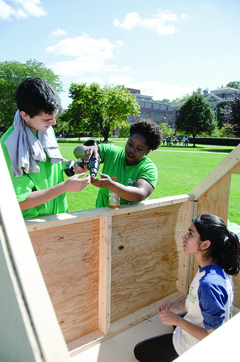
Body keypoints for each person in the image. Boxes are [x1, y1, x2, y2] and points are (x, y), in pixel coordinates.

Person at [134, 214, 240, 362]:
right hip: (204, 328)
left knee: (140, 351)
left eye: (190, 234)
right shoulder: (214, 266)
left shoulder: (209, 284)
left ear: (205, 244)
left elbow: (214, 337)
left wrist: (178, 321)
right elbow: (199, 298)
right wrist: (178, 306)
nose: (184, 237)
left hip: (201, 350)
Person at [0, 77, 90, 219]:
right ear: (25, 115)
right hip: (32, 226)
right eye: (47, 119)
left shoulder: (44, 128)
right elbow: (18, 202)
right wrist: (64, 187)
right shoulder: (7, 145)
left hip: (59, 216)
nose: (53, 123)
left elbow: (49, 161)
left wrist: (69, 164)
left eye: (54, 116)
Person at [74, 118, 162, 208]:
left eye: (139, 148)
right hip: (102, 217)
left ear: (148, 151)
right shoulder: (112, 152)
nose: (132, 149)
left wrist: (111, 185)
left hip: (129, 219)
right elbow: (77, 150)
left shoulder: (148, 168)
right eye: (130, 143)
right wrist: (90, 152)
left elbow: (140, 194)